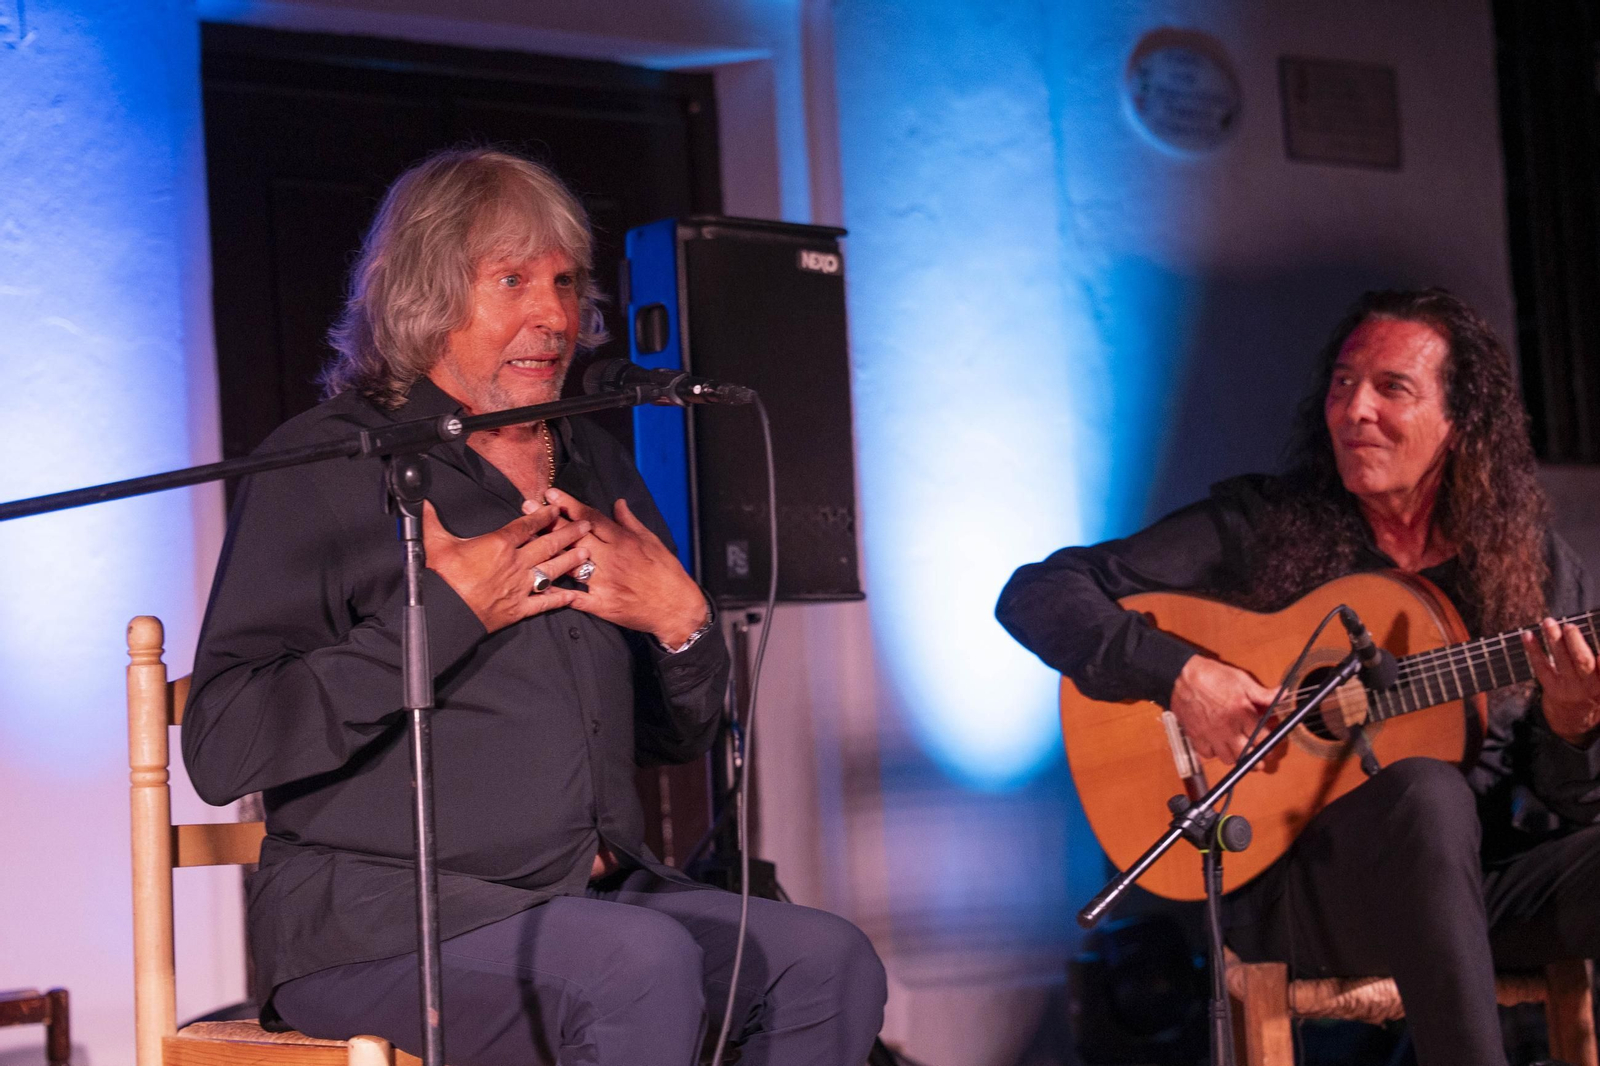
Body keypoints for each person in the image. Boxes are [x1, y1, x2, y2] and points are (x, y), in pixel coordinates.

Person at [183, 147, 885, 1066]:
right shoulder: (328, 466)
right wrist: (443, 612)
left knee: (824, 961)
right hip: (381, 924)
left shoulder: (593, 463)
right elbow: (223, 743)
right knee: (640, 968)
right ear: (425, 295)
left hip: (595, 902)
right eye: (511, 279)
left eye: (564, 282)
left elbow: (675, 741)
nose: (553, 317)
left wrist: (682, 625)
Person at [997, 289, 1600, 1066]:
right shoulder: (1264, 526)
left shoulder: (1537, 569)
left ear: (1460, 423)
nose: (1355, 410)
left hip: (1484, 886)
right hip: (1306, 892)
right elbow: (1037, 594)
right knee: (1424, 791)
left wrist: (1574, 723)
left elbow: (1572, 800)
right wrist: (1181, 675)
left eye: (1393, 388)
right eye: (1344, 383)